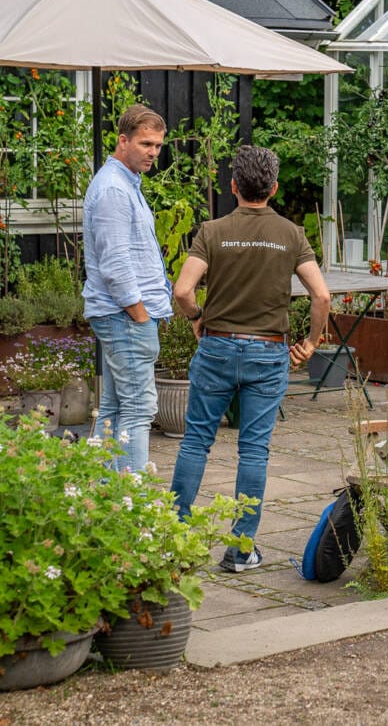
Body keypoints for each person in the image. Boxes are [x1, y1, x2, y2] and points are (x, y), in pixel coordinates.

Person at [169, 145, 330, 573]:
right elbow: (322, 295)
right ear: (273, 188)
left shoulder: (213, 230)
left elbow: (183, 291)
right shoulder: (292, 235)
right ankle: (241, 550)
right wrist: (311, 343)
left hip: (218, 346)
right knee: (253, 450)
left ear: (234, 186)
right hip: (268, 352)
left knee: (196, 442)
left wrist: (198, 319)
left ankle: (174, 540)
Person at [83, 104, 173, 472]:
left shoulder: (124, 183)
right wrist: (139, 314)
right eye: (145, 143)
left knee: (115, 408)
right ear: (123, 141)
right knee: (139, 409)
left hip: (124, 315)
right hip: (125, 316)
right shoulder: (113, 190)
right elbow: (115, 263)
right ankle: (131, 505)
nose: (153, 152)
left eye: (158, 145)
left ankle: (104, 496)